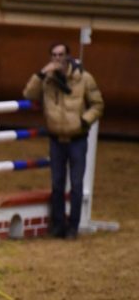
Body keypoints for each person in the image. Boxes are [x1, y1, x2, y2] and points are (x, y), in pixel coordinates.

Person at [23, 43, 104, 240]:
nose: (57, 59)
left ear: (68, 57)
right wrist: (41, 73)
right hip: (56, 139)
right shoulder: (47, 80)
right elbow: (28, 94)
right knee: (57, 184)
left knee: (76, 184)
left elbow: (97, 104)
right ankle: (58, 224)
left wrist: (84, 121)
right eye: (53, 55)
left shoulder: (84, 78)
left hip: (77, 139)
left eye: (60, 55)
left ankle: (73, 226)